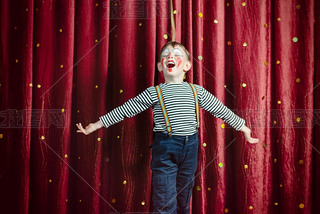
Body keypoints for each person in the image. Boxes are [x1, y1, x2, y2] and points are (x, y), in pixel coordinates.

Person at [76, 41, 259, 214]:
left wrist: (244, 128)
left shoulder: (197, 91)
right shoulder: (154, 93)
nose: (170, 56)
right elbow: (125, 110)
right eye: (166, 55)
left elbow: (221, 110)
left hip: (190, 148)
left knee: (183, 198)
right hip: (165, 148)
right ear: (160, 66)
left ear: (187, 66)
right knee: (164, 201)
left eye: (177, 54)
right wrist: (95, 125)